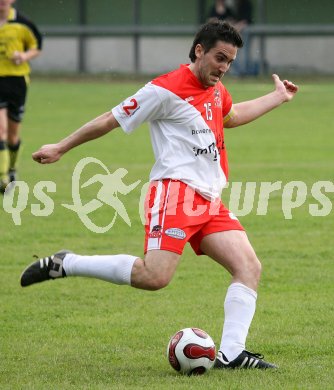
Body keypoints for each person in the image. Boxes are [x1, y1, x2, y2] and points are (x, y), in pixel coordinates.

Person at [20, 21, 298, 369]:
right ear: (199, 50)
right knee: (155, 278)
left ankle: (232, 353)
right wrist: (61, 147)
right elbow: (111, 118)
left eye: (229, 61)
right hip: (175, 195)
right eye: (219, 58)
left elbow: (233, 115)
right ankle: (67, 263)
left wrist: (277, 97)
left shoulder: (215, 88)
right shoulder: (164, 90)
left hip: (210, 198)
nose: (224, 68)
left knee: (248, 267)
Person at [0, 0, 42, 193]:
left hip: (17, 82)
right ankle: (3, 179)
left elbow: (36, 46)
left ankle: (12, 169)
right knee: (0, 131)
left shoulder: (23, 23)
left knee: (12, 136)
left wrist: (24, 57)